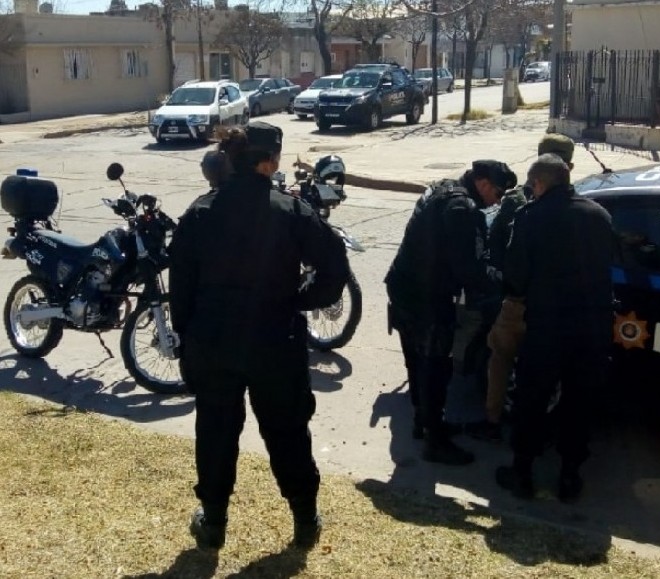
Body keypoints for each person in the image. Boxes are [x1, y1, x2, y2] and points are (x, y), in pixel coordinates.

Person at [169, 120, 349, 552]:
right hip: (274, 340)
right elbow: (334, 268)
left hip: (213, 340)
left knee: (215, 430)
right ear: (270, 162)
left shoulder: (200, 211)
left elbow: (180, 289)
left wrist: (188, 339)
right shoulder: (289, 210)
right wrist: (297, 300)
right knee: (287, 429)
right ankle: (305, 518)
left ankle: (213, 522)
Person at [495, 153, 614, 502]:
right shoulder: (599, 216)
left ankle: (522, 472)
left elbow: (515, 279)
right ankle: (570, 477)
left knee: (531, 400)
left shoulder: (530, 218)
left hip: (547, 329)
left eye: (533, 185)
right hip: (592, 329)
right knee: (579, 403)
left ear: (540, 183)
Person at [385, 160, 517, 465]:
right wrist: (503, 281)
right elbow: (468, 268)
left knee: (417, 362)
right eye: (496, 192)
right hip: (426, 297)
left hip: (405, 286)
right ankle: (435, 442)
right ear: (483, 183)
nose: (496, 200)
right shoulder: (462, 209)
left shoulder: (443, 188)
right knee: (434, 368)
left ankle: (424, 422)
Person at [475, 134, 576, 442]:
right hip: (551, 303)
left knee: (502, 359)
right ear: (568, 165)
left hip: (516, 298)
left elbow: (496, 247)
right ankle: (535, 428)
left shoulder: (518, 202)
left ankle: (494, 422)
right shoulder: (576, 204)